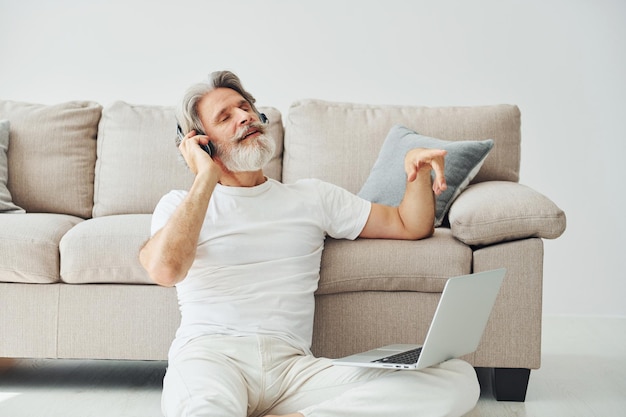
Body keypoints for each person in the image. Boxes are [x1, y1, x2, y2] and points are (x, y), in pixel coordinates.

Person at [139, 70, 480, 417]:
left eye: (245, 108)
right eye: (225, 117)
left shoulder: (312, 197)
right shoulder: (181, 205)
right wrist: (206, 176)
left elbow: (409, 224)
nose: (244, 117)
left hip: (292, 371)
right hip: (210, 358)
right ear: (201, 142)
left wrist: (418, 170)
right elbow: (166, 270)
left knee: (456, 377)